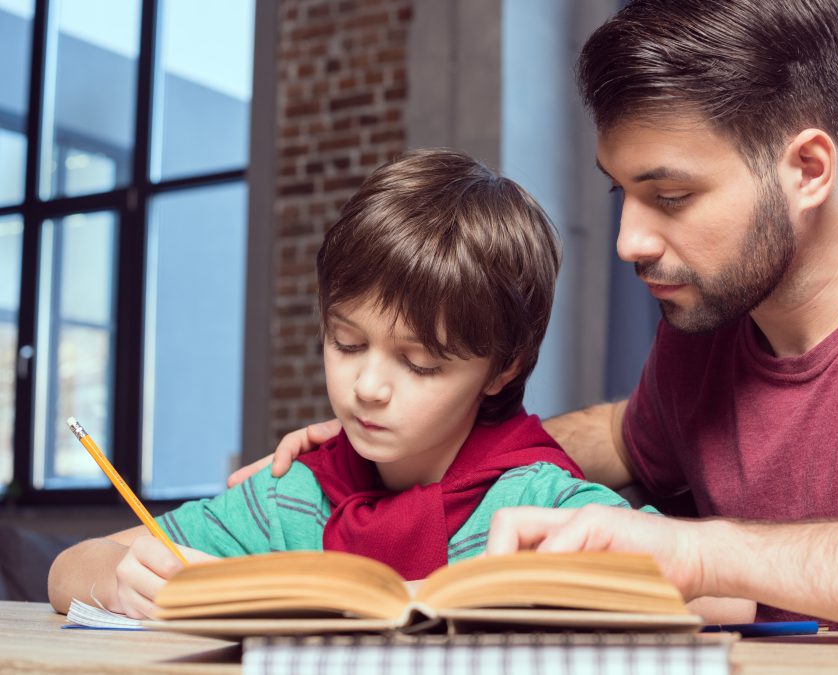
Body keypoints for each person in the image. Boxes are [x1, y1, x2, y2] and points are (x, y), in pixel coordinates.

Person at [230, 0, 838, 644]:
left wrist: (709, 554)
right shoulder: (701, 336)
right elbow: (620, 435)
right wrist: (401, 436)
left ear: (809, 167)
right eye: (620, 192)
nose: (630, 239)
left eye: (671, 196)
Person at [46, 149, 665, 620]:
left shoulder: (537, 504)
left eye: (419, 363)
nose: (368, 387)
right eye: (346, 344)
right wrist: (131, 581)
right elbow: (68, 568)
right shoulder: (293, 497)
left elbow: (709, 589)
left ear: (503, 367)